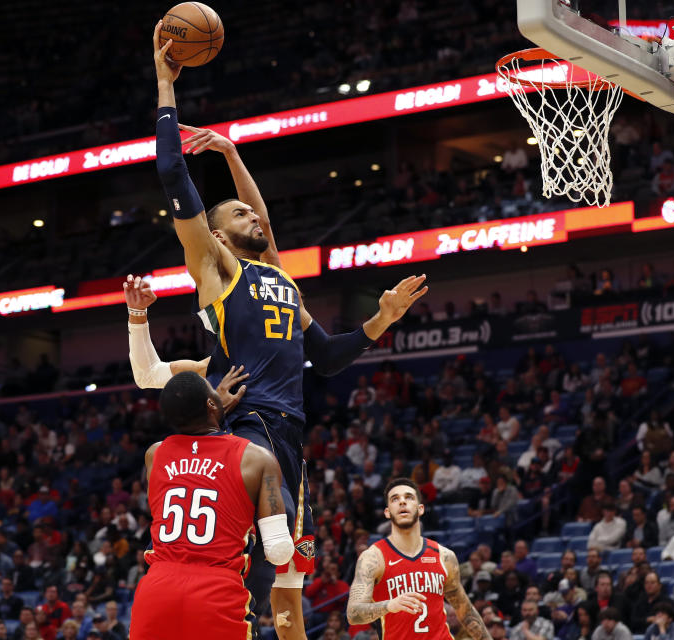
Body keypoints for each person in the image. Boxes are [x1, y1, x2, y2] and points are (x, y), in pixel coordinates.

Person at [150, 25, 429, 636]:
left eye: (252, 210)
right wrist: (167, 86)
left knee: (288, 572)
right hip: (247, 426)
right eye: (239, 212)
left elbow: (326, 357)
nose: (254, 214)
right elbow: (174, 177)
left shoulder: (281, 280)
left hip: (290, 432)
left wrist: (380, 320)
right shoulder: (216, 268)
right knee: (255, 566)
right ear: (218, 235)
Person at [128, 371, 294, 640]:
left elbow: (194, 453)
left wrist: (211, 407)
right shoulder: (257, 459)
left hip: (156, 593)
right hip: (216, 593)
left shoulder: (154, 454)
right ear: (210, 404)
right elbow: (278, 551)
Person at [346, 478, 491, 640]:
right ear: (387, 512)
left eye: (409, 497)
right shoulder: (373, 557)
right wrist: (389, 605)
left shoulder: (445, 556)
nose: (402, 502)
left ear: (420, 509)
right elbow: (353, 613)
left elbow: (466, 613)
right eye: (395, 499)